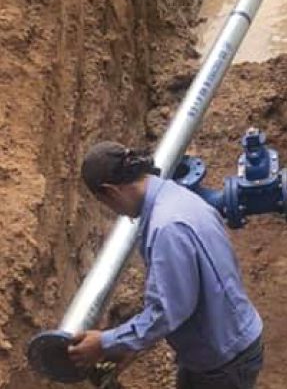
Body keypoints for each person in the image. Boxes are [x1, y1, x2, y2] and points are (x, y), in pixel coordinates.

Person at [66, 142, 263, 389]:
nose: (115, 212)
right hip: (223, 342)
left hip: (223, 362)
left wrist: (105, 343)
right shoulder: (175, 196)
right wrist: (129, 342)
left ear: (111, 192)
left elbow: (169, 311)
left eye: (106, 204)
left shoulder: (166, 228)